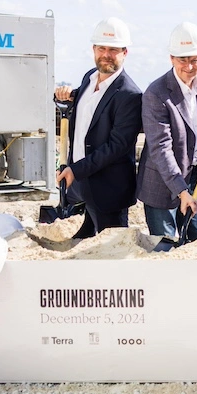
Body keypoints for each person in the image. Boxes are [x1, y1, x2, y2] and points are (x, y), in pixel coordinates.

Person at [53, 18, 143, 238]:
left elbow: (117, 147)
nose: (106, 54)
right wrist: (64, 96)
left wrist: (76, 170)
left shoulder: (130, 95)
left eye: (113, 50)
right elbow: (81, 115)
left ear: (125, 53)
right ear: (93, 49)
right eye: (102, 48)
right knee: (80, 246)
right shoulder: (88, 78)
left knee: (110, 249)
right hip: (79, 185)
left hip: (107, 191)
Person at [136, 21, 197, 242]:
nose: (189, 66)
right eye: (182, 59)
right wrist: (182, 192)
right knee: (165, 246)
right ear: (172, 58)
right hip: (162, 185)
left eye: (194, 60)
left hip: (195, 179)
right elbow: (161, 149)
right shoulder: (156, 93)